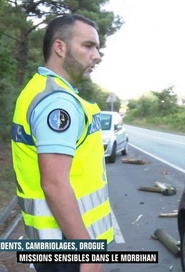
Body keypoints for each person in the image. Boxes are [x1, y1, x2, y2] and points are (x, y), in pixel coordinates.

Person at [11, 14, 114, 272]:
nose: (97, 55)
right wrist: (87, 253)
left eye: (98, 48)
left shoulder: (40, 89)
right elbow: (54, 184)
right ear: (60, 47)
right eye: (88, 46)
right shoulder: (58, 102)